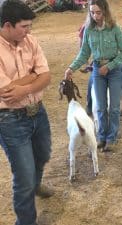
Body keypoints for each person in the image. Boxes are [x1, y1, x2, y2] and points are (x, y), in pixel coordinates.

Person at [0, 0, 53, 224]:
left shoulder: (30, 40)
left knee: (43, 155)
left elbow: (47, 76)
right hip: (10, 119)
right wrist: (33, 76)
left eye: (30, 26)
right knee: (23, 176)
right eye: (24, 26)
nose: (29, 31)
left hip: (37, 112)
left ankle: (36, 183)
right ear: (7, 25)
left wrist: (28, 85)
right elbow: (6, 91)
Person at [65, 0, 122, 152]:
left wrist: (110, 66)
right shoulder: (89, 30)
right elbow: (84, 53)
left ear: (105, 11)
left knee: (113, 107)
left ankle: (111, 138)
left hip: (114, 70)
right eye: (92, 12)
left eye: (98, 12)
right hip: (97, 70)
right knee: (99, 106)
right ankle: (101, 136)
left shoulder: (115, 29)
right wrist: (71, 67)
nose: (95, 16)